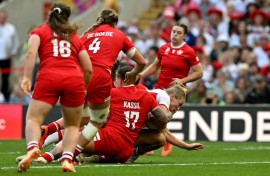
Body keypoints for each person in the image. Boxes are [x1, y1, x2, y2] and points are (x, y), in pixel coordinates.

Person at [37, 9, 146, 159]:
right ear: (115, 23)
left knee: (81, 118)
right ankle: (70, 155)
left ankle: (48, 131)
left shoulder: (87, 35)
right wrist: (133, 74)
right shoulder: (118, 34)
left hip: (77, 75)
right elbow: (142, 61)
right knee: (97, 121)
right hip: (100, 75)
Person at [19, 66, 171, 164]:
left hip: (110, 139)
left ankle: (44, 158)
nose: (114, 81)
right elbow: (163, 119)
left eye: (116, 78)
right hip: (126, 150)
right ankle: (68, 153)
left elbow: (92, 108)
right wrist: (155, 119)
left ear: (123, 78)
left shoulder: (113, 93)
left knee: (77, 134)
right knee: (87, 131)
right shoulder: (147, 96)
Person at [17, 2, 92, 173]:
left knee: (33, 119)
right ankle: (66, 160)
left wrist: (27, 78)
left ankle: (33, 148)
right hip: (74, 80)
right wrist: (84, 87)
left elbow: (31, 53)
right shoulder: (73, 36)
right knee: (73, 125)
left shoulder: (40, 31)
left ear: (50, 13)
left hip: (48, 77)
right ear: (67, 17)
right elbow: (88, 68)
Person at [137, 22, 203, 156]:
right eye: (174, 32)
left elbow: (199, 72)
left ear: (184, 36)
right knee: (150, 116)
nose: (175, 35)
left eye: (179, 33)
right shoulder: (163, 48)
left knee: (164, 117)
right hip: (160, 89)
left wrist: (183, 80)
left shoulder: (189, 52)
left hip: (175, 92)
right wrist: (141, 74)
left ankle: (165, 142)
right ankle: (150, 143)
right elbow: (155, 66)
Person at [0, 10, 19, 102]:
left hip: (6, 58)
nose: (2, 19)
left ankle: (5, 95)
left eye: (3, 18)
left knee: (6, 78)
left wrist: (13, 52)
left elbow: (15, 41)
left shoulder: (11, 28)